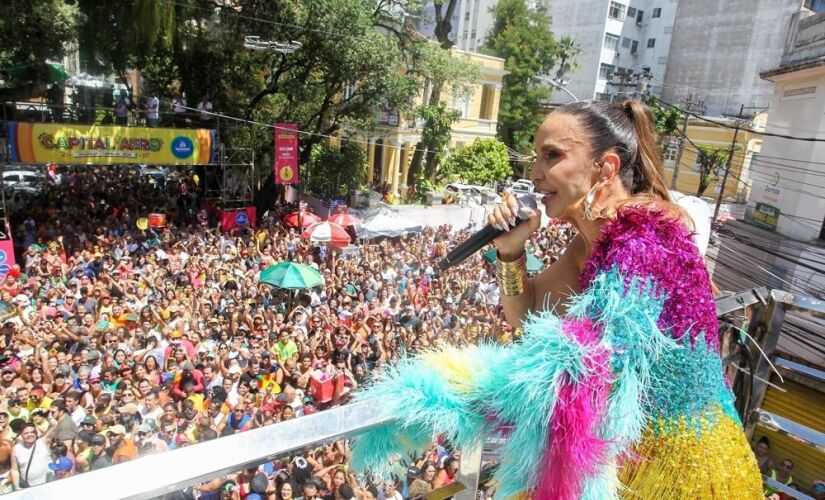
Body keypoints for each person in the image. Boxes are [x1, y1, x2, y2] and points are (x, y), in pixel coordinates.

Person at [349, 100, 763, 498]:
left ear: (606, 167)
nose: (535, 172)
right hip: (630, 460)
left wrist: (443, 386)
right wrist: (511, 250)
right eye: (536, 157)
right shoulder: (589, 242)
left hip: (685, 475)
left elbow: (583, 370)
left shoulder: (646, 239)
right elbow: (524, 316)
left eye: (552, 156)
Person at [10, 423, 51, 489]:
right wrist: (16, 486)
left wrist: (49, 415)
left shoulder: (43, 442)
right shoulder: (16, 449)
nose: (29, 435)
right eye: (26, 433)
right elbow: (14, 470)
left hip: (48, 484)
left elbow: (55, 426)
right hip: (28, 487)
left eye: (32, 432)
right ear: (21, 435)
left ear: (36, 433)